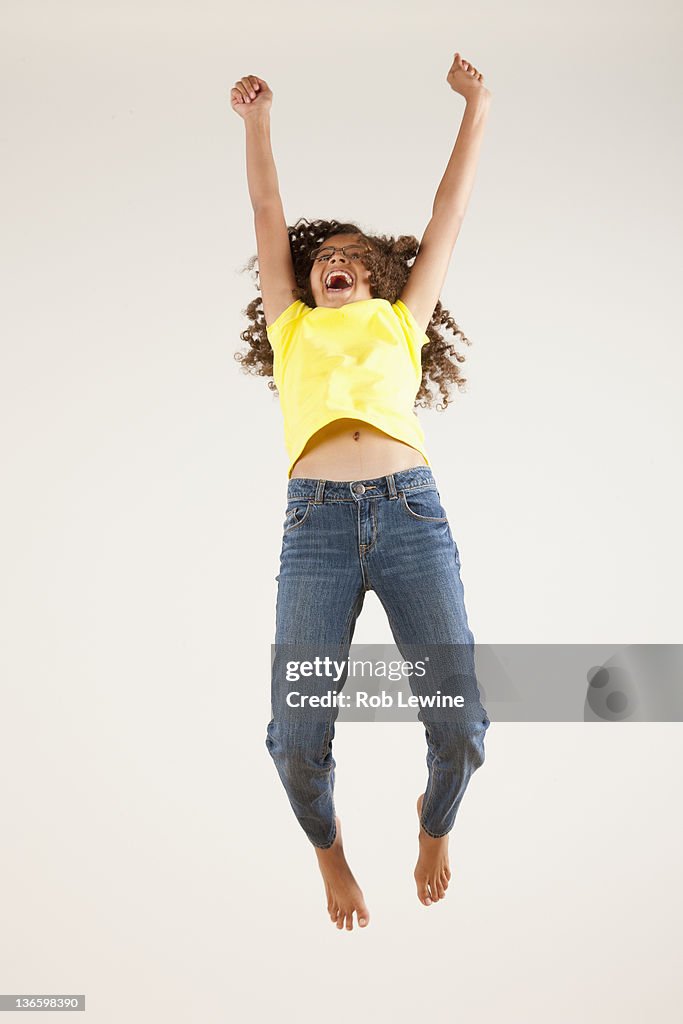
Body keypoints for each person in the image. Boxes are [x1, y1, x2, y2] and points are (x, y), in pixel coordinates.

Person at [231, 52, 492, 931]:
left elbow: (446, 212)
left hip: (411, 511)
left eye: (352, 259)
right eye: (323, 261)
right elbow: (268, 210)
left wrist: (477, 104)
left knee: (458, 724)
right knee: (297, 738)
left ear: (377, 279)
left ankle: (434, 822)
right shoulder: (291, 325)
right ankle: (330, 854)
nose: (334, 263)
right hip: (316, 530)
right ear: (305, 282)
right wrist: (256, 124)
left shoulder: (398, 320)